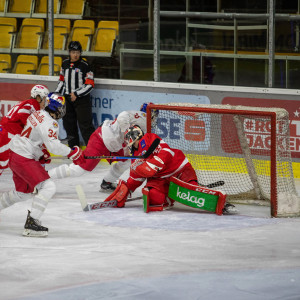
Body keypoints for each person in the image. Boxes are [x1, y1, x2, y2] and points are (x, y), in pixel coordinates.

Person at [0, 93, 85, 237]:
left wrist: (40, 152)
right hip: (23, 157)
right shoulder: (51, 123)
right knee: (48, 186)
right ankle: (32, 223)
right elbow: (53, 146)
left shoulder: (38, 113)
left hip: (16, 154)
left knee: (22, 193)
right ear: (57, 108)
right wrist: (72, 152)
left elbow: (36, 137)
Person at [104, 125, 237, 214]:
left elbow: (166, 152)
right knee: (152, 197)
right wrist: (127, 188)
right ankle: (169, 196)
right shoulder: (135, 158)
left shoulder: (149, 139)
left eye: (128, 139)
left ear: (133, 136)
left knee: (191, 189)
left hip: (178, 169)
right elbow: (136, 177)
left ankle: (218, 202)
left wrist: (152, 165)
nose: (127, 143)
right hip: (159, 179)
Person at [48, 103, 159, 192]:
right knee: (80, 169)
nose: (154, 120)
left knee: (127, 161)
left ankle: (107, 182)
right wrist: (127, 132)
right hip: (101, 139)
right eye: (154, 117)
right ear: (151, 114)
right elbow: (122, 116)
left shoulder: (142, 120)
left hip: (115, 144)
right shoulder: (143, 118)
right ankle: (45, 176)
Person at [0, 84, 49, 175]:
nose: (45, 103)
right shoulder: (33, 103)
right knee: (3, 161)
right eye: (44, 99)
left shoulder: (26, 102)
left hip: (5, 131)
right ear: (38, 97)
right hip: (9, 134)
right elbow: (22, 114)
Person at [55, 41, 95, 148]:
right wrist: (57, 94)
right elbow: (61, 81)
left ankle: (92, 150)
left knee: (86, 127)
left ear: (81, 53)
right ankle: (74, 150)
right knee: (69, 126)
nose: (75, 55)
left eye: (77, 52)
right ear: (69, 52)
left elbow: (90, 84)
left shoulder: (85, 66)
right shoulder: (65, 64)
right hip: (67, 100)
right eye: (73, 52)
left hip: (82, 100)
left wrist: (76, 94)